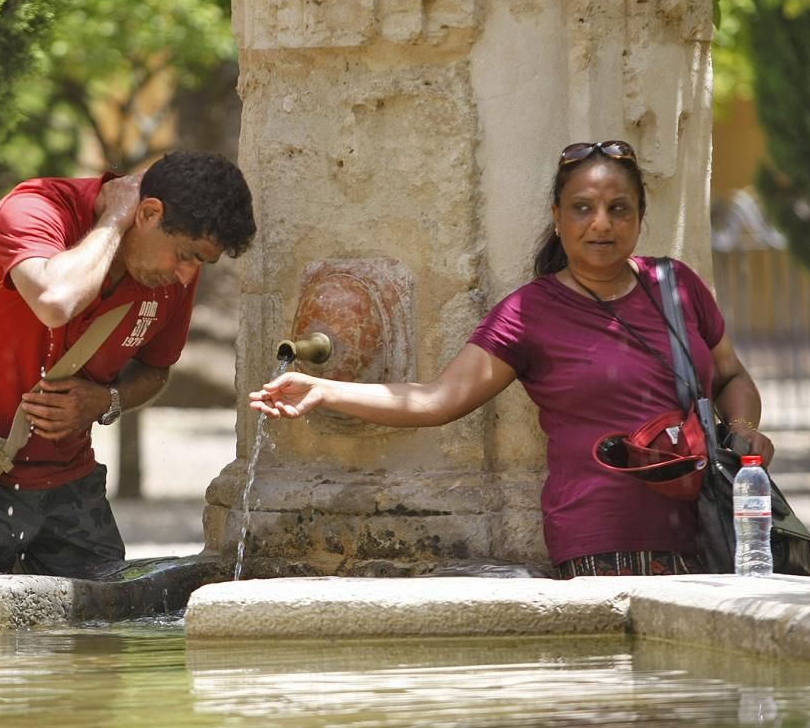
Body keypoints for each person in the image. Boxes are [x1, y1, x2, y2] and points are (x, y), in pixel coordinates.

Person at [249, 140, 773, 580]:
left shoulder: (676, 284)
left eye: (619, 209)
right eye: (582, 208)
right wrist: (325, 391)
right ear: (557, 216)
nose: (601, 225)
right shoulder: (530, 312)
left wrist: (745, 430)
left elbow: (731, 375)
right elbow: (439, 398)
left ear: (639, 217)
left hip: (715, 531)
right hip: (604, 545)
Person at [0, 150, 256, 578]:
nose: (186, 275)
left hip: (70, 484)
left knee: (106, 634)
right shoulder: (33, 208)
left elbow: (155, 370)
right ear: (147, 212)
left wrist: (106, 401)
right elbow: (56, 301)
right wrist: (113, 221)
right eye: (186, 254)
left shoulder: (175, 272)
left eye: (201, 261)